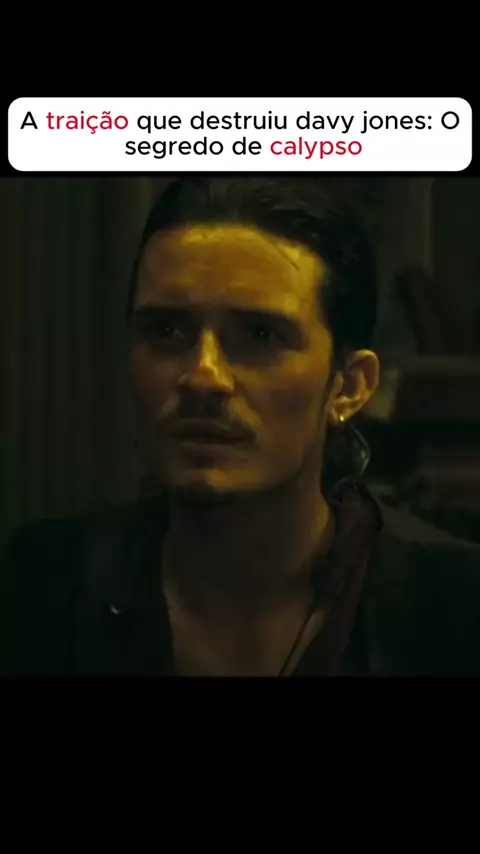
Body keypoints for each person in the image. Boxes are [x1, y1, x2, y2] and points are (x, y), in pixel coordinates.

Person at [1, 176, 479, 677]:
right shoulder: (50, 581)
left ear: (349, 386)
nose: (203, 377)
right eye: (166, 330)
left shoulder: (450, 606)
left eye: (260, 335)